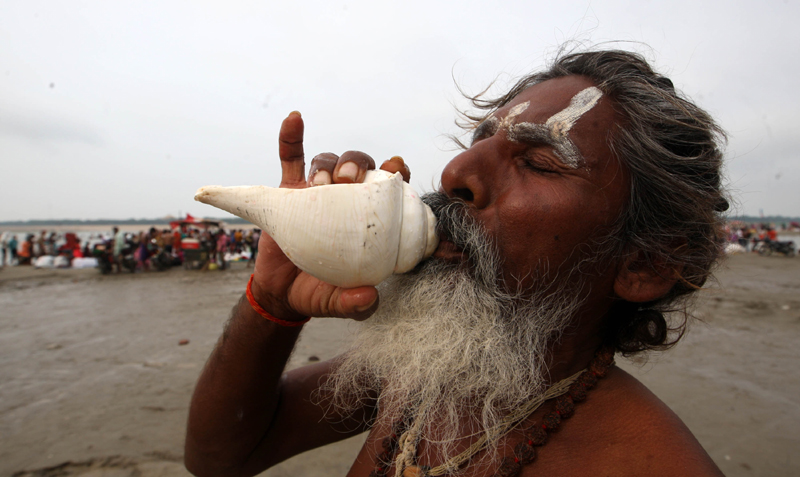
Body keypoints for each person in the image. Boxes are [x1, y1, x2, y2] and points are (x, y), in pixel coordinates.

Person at [185, 50, 727, 476]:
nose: (453, 172)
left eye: (538, 163)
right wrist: (272, 301)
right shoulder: (419, 377)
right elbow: (219, 457)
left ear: (646, 265)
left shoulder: (651, 463)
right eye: (478, 141)